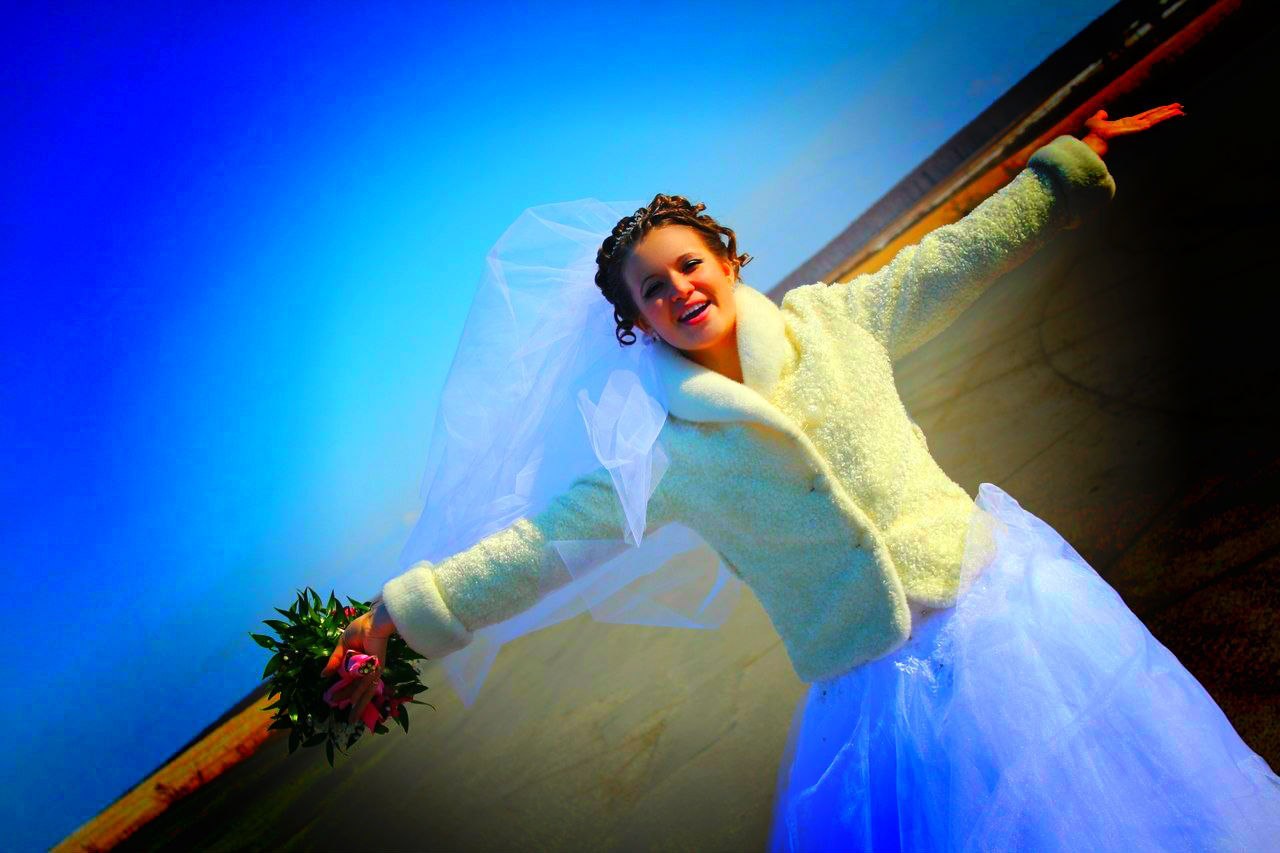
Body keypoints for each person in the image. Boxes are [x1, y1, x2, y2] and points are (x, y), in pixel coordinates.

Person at [324, 103, 1280, 850]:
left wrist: (1063, 171)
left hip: (1008, 620)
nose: (679, 290)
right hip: (874, 692)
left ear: (728, 257)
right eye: (653, 289)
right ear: (637, 322)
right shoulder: (662, 454)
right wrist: (399, 615)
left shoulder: (835, 322)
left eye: (688, 265)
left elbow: (951, 258)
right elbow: (541, 546)